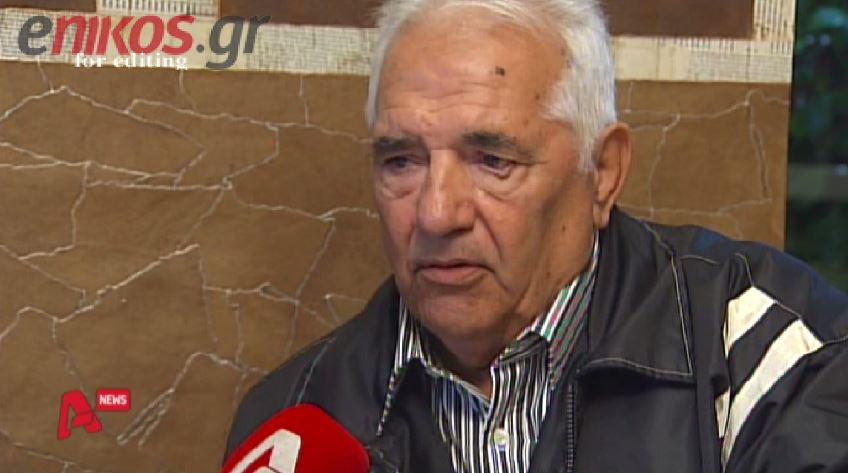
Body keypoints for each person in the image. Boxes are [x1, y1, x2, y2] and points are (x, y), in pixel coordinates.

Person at [223, 0, 848, 471]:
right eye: (401, 161)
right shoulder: (293, 422)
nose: (436, 214)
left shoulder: (760, 355)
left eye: (493, 161)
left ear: (602, 172)